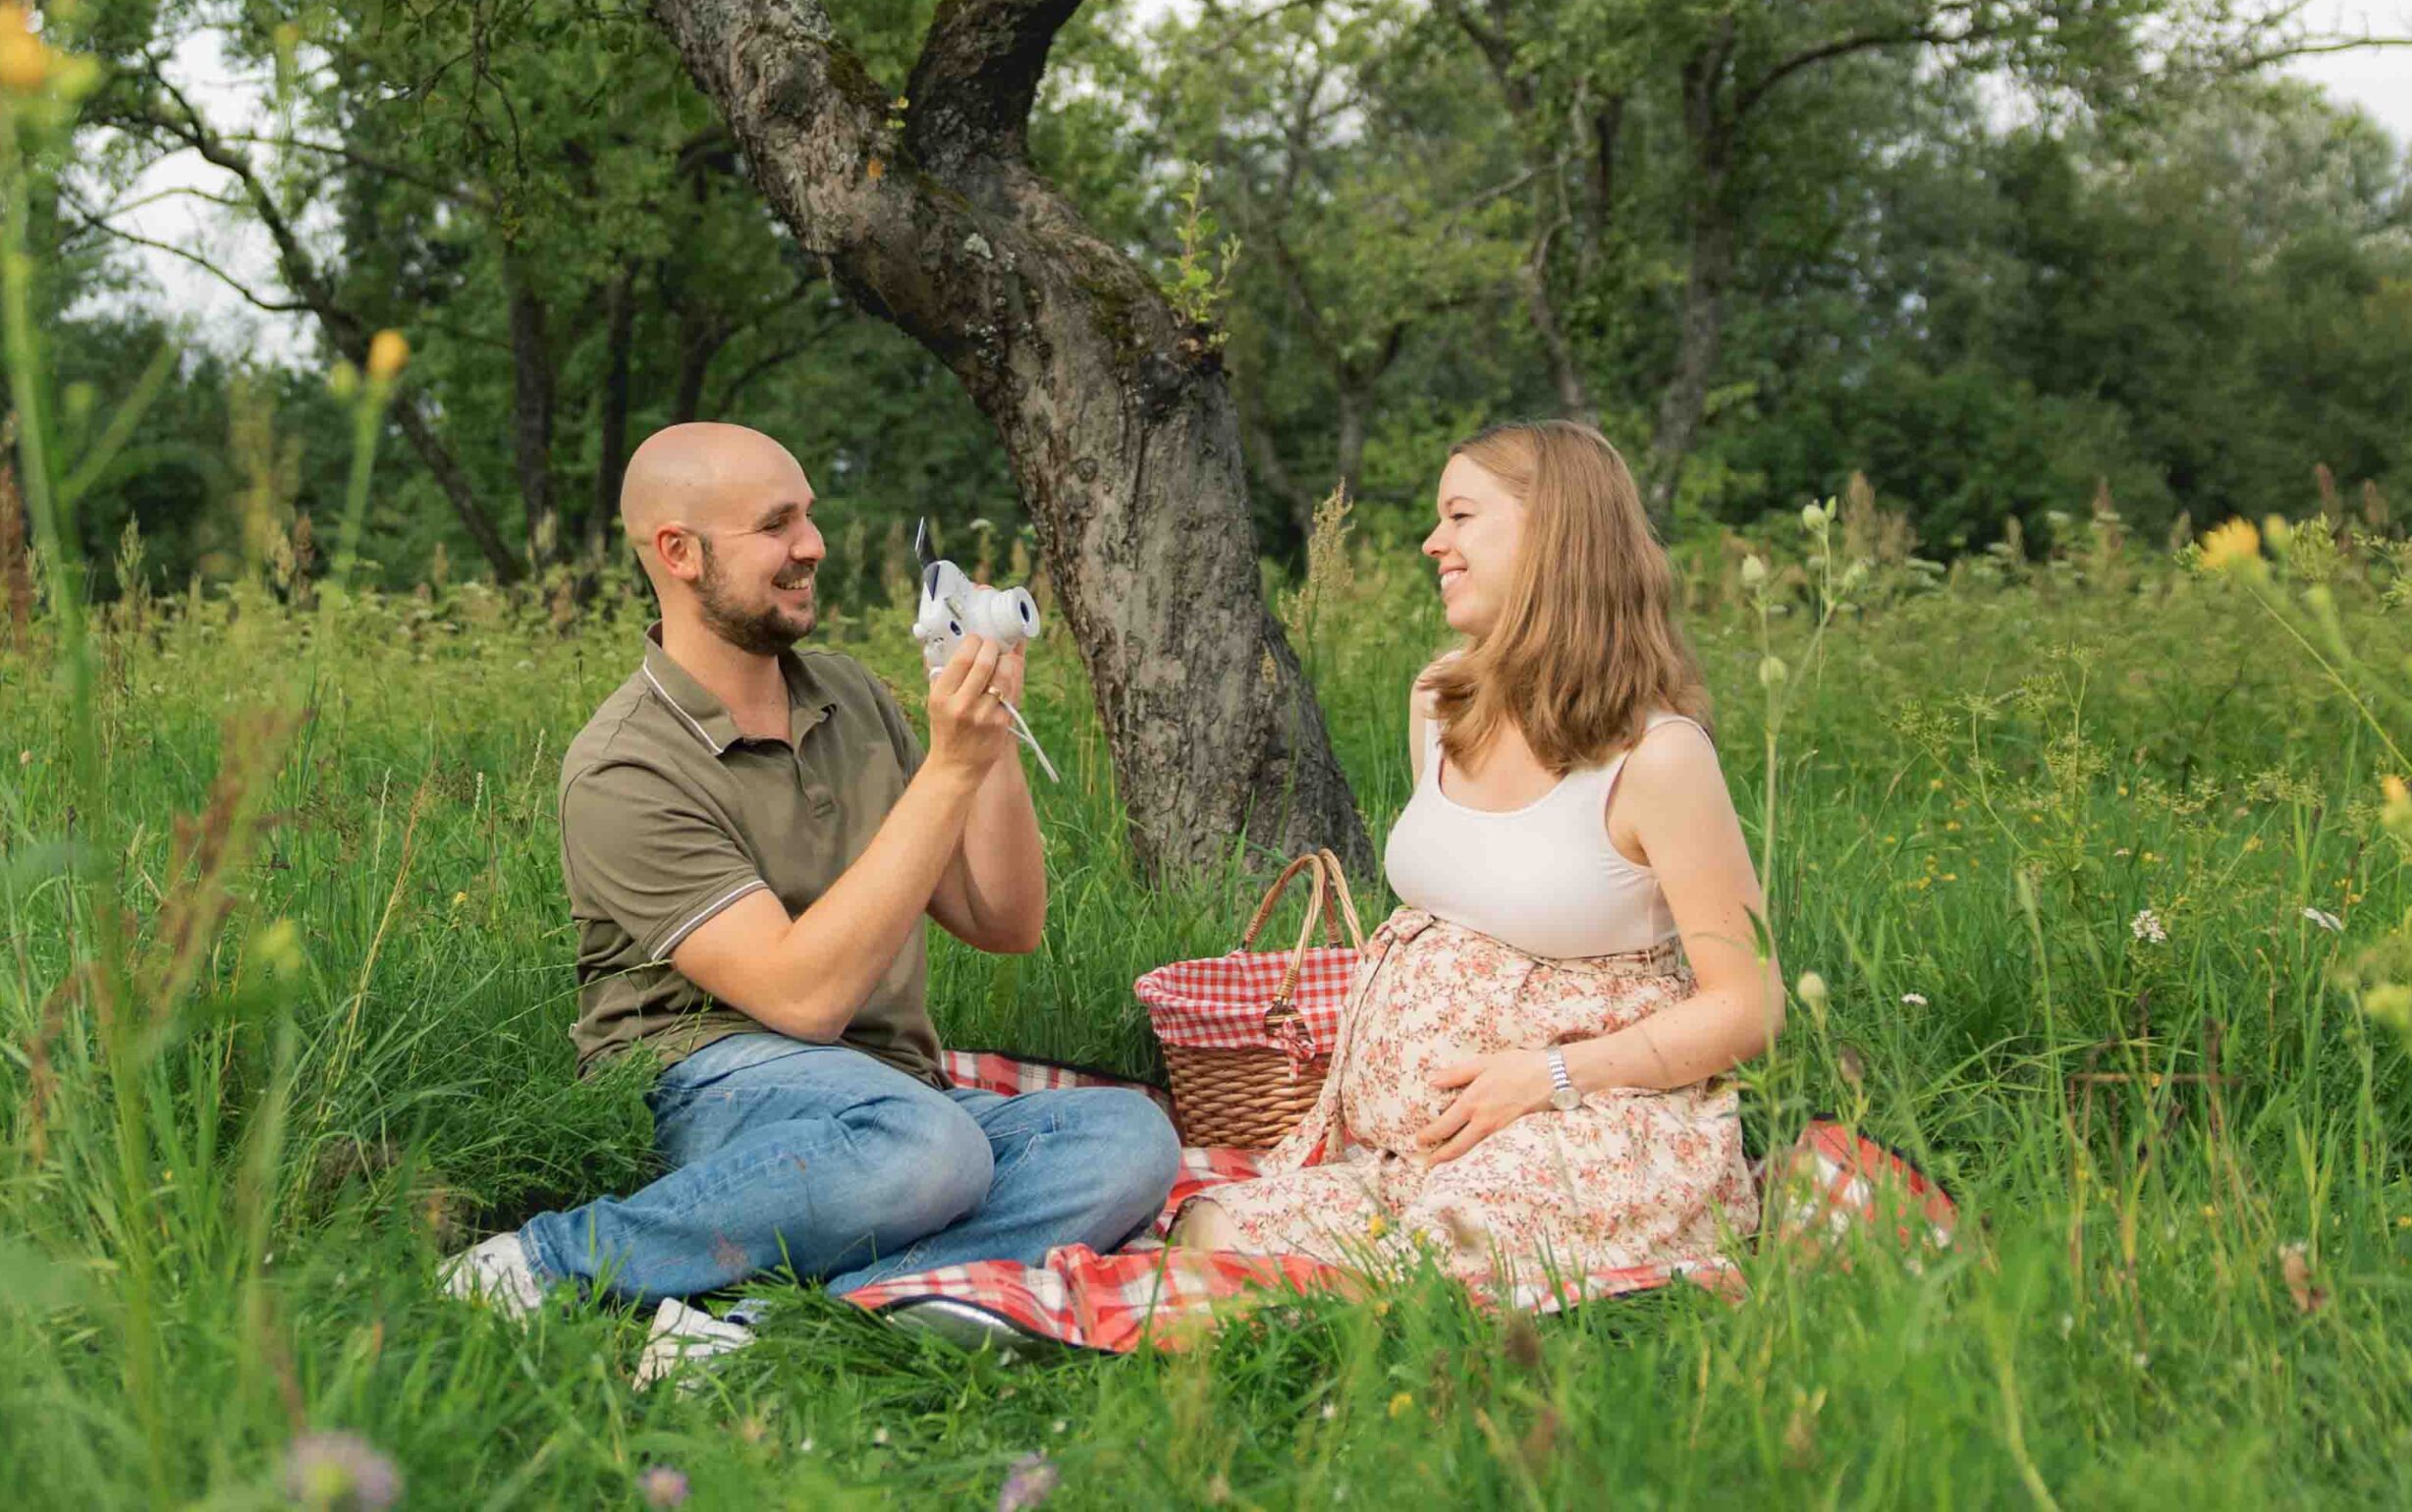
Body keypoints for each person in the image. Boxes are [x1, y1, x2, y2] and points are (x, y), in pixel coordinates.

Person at [442, 423, 1179, 1368]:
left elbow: (1006, 920)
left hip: (894, 1094)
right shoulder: (626, 762)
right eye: (777, 523)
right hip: (701, 1079)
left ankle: (761, 1328)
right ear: (679, 552)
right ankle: (543, 1263)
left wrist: (985, 737)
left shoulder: (850, 697)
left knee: (1125, 1135)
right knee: (928, 1148)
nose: (813, 545)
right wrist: (946, 770)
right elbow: (804, 999)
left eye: (811, 516)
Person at [1174, 419, 1778, 1283]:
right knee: (1215, 1228)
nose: (1433, 543)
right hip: (1412, 1152)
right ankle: (1373, 1279)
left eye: (1460, 516)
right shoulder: (1440, 700)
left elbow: (1749, 1004)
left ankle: (1406, 1301)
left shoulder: (1658, 757)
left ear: (1553, 535)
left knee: (1437, 1260)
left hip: (1589, 1126)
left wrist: (1549, 1075)